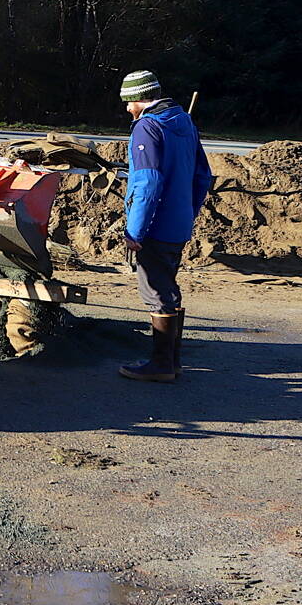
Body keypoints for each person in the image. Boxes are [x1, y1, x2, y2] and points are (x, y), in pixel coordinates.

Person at [118, 69, 212, 383]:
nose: (127, 109)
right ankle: (172, 362)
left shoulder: (147, 127)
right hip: (178, 223)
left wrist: (135, 230)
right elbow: (202, 177)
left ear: (138, 98)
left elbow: (147, 183)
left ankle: (160, 366)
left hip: (155, 227)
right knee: (168, 289)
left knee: (155, 291)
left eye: (128, 102)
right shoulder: (184, 121)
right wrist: (188, 212)